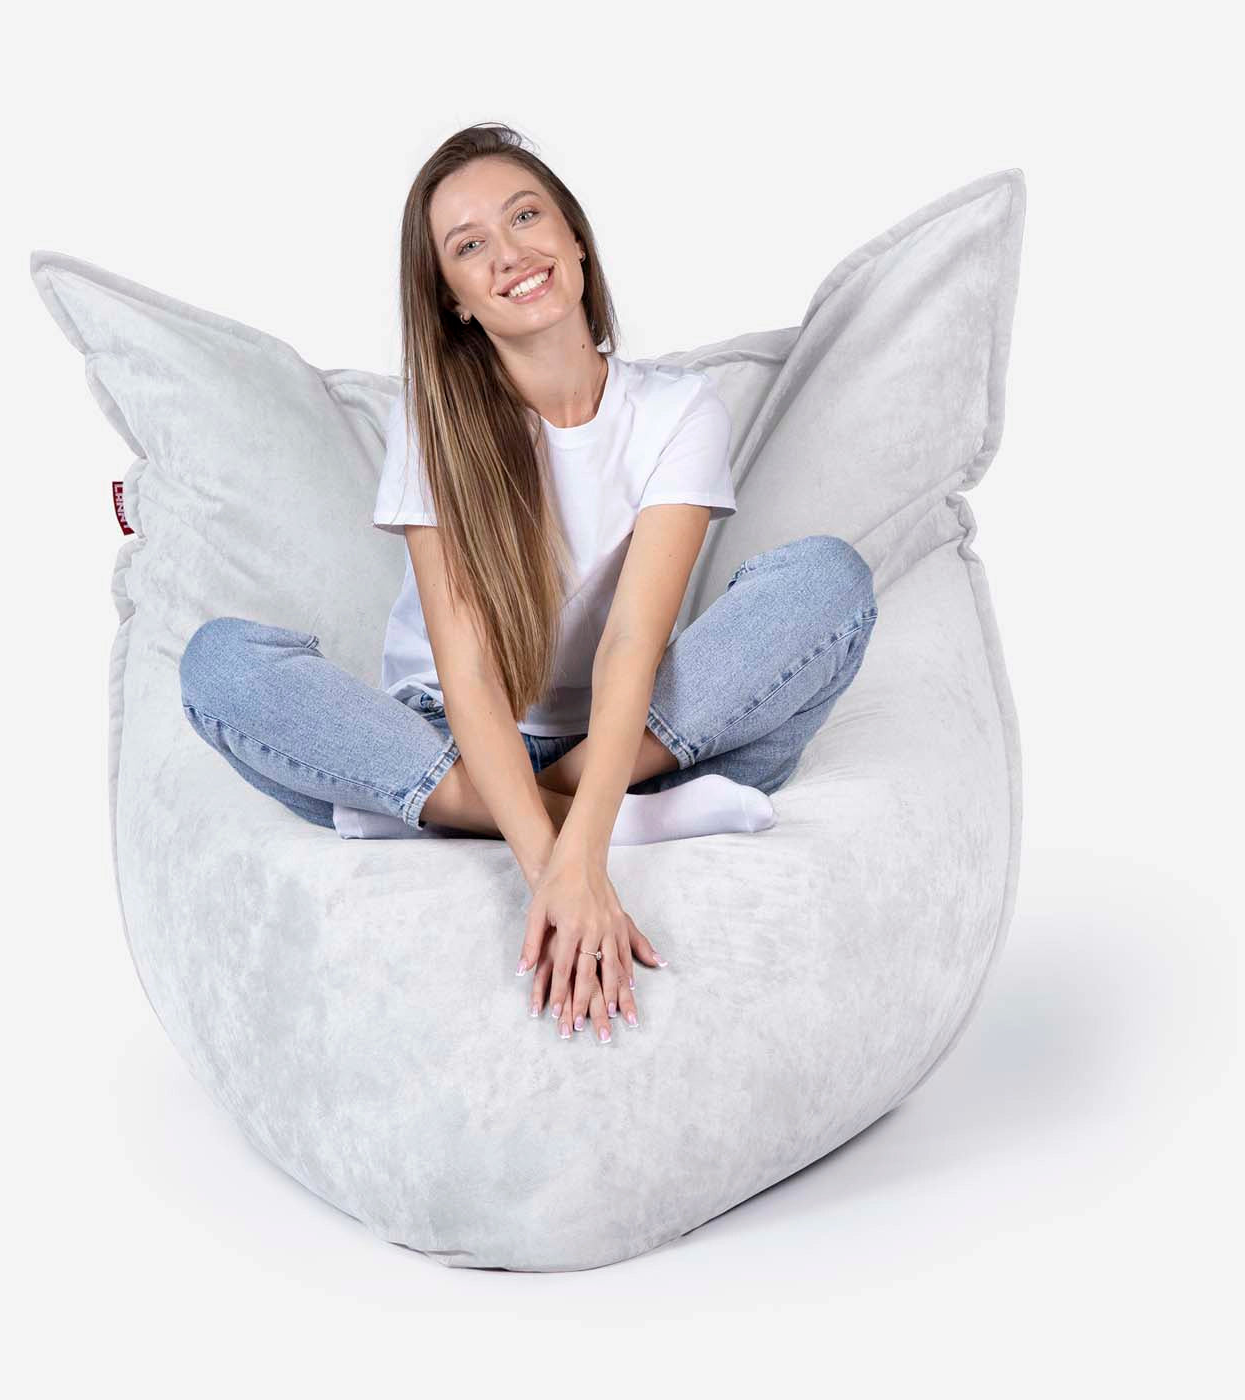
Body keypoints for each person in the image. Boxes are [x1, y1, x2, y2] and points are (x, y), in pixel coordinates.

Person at [178, 123, 878, 1044]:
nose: (510, 255)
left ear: (574, 237)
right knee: (220, 666)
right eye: (470, 246)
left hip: (634, 733)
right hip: (452, 737)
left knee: (828, 583)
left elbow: (631, 642)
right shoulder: (437, 425)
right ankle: (630, 823)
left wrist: (575, 847)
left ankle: (490, 815)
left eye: (524, 217)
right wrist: (564, 865)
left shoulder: (678, 410)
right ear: (454, 300)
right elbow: (468, 671)